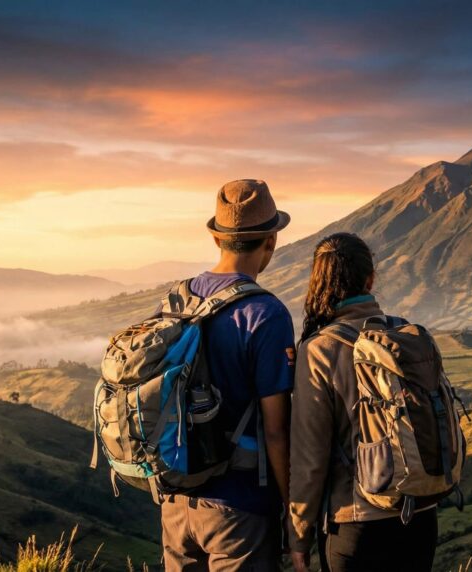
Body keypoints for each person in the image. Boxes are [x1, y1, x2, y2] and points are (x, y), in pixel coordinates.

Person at [161, 179, 295, 571]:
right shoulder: (266, 314)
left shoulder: (178, 297)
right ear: (270, 241)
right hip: (239, 510)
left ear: (216, 239)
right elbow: (276, 430)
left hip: (176, 503)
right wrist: (292, 506)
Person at [289, 233, 439, 572]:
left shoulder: (319, 350)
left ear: (317, 282)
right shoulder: (407, 337)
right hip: (420, 518)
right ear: (370, 279)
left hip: (357, 523)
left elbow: (309, 460)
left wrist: (298, 535)